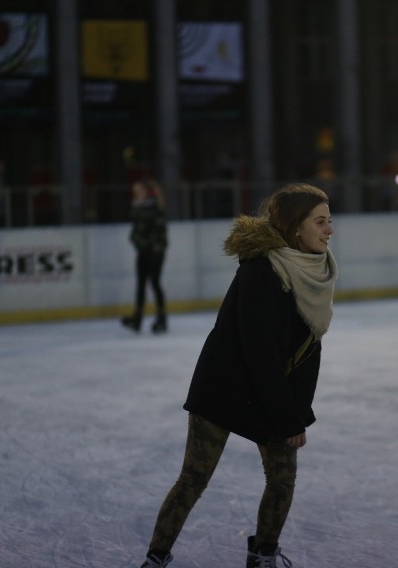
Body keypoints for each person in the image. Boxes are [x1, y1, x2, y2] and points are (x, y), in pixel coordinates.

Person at [138, 183, 338, 568]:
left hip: (270, 389)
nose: (329, 230)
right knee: (194, 479)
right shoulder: (262, 272)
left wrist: (297, 412)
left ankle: (261, 556)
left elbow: (309, 350)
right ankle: (155, 559)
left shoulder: (318, 273)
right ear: (296, 227)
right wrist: (285, 417)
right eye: (320, 222)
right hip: (225, 388)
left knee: (282, 478)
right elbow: (258, 353)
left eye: (330, 221)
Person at [121, 177, 168, 333]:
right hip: (143, 250)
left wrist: (146, 244)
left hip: (154, 251)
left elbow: (157, 232)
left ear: (146, 192)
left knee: (154, 282)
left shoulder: (154, 207)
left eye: (138, 191)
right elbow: (138, 230)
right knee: (141, 283)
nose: (136, 194)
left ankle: (161, 318)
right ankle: (138, 318)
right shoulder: (138, 207)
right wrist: (137, 241)